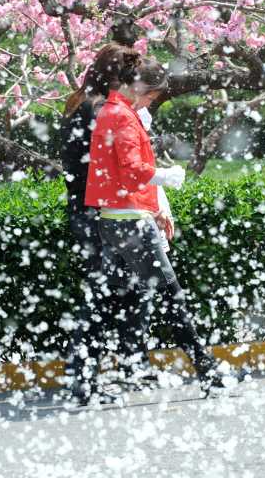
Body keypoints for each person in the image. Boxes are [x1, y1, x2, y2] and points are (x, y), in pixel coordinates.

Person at [83, 53, 243, 396]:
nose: (153, 100)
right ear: (140, 87)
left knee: (111, 302)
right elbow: (131, 170)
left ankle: (82, 380)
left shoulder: (110, 112)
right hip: (131, 224)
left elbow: (115, 173)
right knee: (173, 300)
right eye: (153, 94)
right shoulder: (122, 116)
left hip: (114, 221)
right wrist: (167, 177)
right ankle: (208, 371)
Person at [59, 43, 151, 405]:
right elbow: (119, 168)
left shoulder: (80, 103)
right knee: (111, 293)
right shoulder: (101, 111)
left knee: (121, 289)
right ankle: (90, 378)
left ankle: (121, 367)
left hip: (86, 211)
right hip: (104, 213)